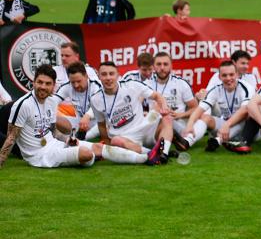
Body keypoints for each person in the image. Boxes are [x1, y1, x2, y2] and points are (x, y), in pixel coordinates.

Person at [0, 65, 152, 169]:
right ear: (33, 82)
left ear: (53, 86)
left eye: (47, 84)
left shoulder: (51, 101)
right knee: (86, 153)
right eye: (39, 82)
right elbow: (11, 137)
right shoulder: (23, 104)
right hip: (39, 156)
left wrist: (67, 140)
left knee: (98, 147)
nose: (43, 87)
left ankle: (146, 158)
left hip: (55, 145)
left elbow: (52, 132)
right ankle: (91, 156)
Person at [90, 62, 173, 165]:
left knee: (167, 117)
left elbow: (157, 96)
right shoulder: (95, 99)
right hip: (125, 137)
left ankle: (164, 153)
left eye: (111, 74)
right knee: (115, 141)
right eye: (104, 74)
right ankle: (151, 153)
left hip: (144, 126)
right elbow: (101, 125)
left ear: (117, 75)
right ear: (99, 76)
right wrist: (108, 146)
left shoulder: (132, 85)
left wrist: (164, 107)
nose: (108, 78)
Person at [187, 60, 254, 153]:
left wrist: (227, 125)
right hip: (225, 127)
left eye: (231, 74)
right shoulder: (216, 89)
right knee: (205, 117)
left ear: (237, 75)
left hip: (244, 128)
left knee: (248, 115)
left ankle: (218, 141)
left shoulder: (246, 88)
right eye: (224, 75)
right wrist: (190, 124)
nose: (228, 78)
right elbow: (200, 109)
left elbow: (244, 110)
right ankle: (187, 141)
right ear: (219, 77)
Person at [148, 52, 198, 151]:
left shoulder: (181, 83)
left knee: (167, 118)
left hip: (176, 123)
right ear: (153, 66)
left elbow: (196, 108)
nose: (162, 68)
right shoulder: (146, 83)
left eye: (165, 64)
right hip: (153, 123)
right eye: (158, 64)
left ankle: (174, 140)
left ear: (171, 65)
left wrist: (180, 115)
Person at [55, 62, 103, 140]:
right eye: (73, 82)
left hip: (98, 124)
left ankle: (78, 139)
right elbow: (53, 101)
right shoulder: (67, 86)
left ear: (86, 76)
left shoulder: (96, 86)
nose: (76, 85)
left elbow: (99, 105)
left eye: (79, 81)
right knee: (54, 118)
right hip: (79, 124)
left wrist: (87, 116)